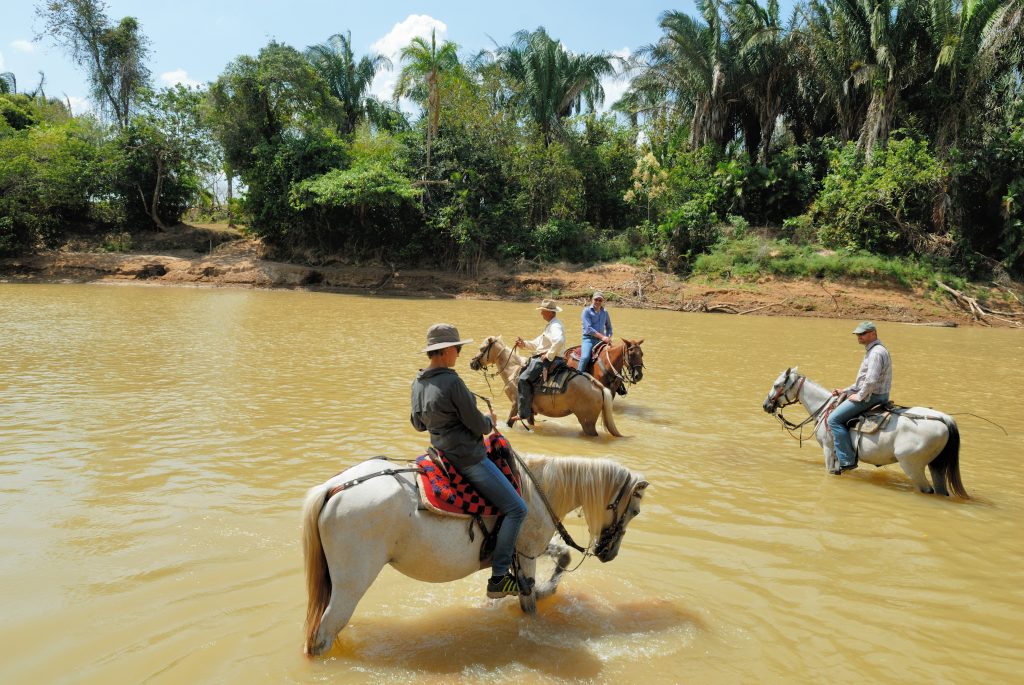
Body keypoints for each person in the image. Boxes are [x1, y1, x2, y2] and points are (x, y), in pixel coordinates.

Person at [410, 323, 528, 598]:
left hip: (437, 453)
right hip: (467, 458)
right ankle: (499, 576)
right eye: (458, 349)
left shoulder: (417, 382)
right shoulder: (453, 382)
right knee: (517, 509)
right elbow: (479, 426)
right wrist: (491, 421)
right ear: (447, 350)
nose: (460, 354)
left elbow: (417, 424)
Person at [827, 321, 892, 474]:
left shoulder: (875, 353)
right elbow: (863, 381)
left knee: (833, 420)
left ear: (873, 333)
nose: (859, 336)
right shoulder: (875, 350)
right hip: (877, 393)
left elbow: (870, 381)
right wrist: (846, 390)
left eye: (862, 334)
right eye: (858, 334)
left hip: (873, 396)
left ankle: (847, 460)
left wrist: (860, 396)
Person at [513, 299, 566, 426]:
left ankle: (524, 413)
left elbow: (559, 341)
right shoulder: (551, 325)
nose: (541, 313)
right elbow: (538, 343)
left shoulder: (555, 326)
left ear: (549, 312)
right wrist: (524, 344)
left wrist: (548, 355)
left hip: (549, 359)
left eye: (542, 311)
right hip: (548, 356)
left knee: (522, 379)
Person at [579, 290, 613, 374]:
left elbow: (609, 327)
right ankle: (577, 375)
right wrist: (603, 337)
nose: (597, 302)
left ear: (603, 301)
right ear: (592, 300)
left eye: (600, 300)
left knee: (613, 356)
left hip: (602, 341)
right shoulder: (586, 311)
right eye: (596, 299)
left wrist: (608, 337)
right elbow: (588, 329)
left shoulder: (605, 312)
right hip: (589, 339)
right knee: (585, 357)